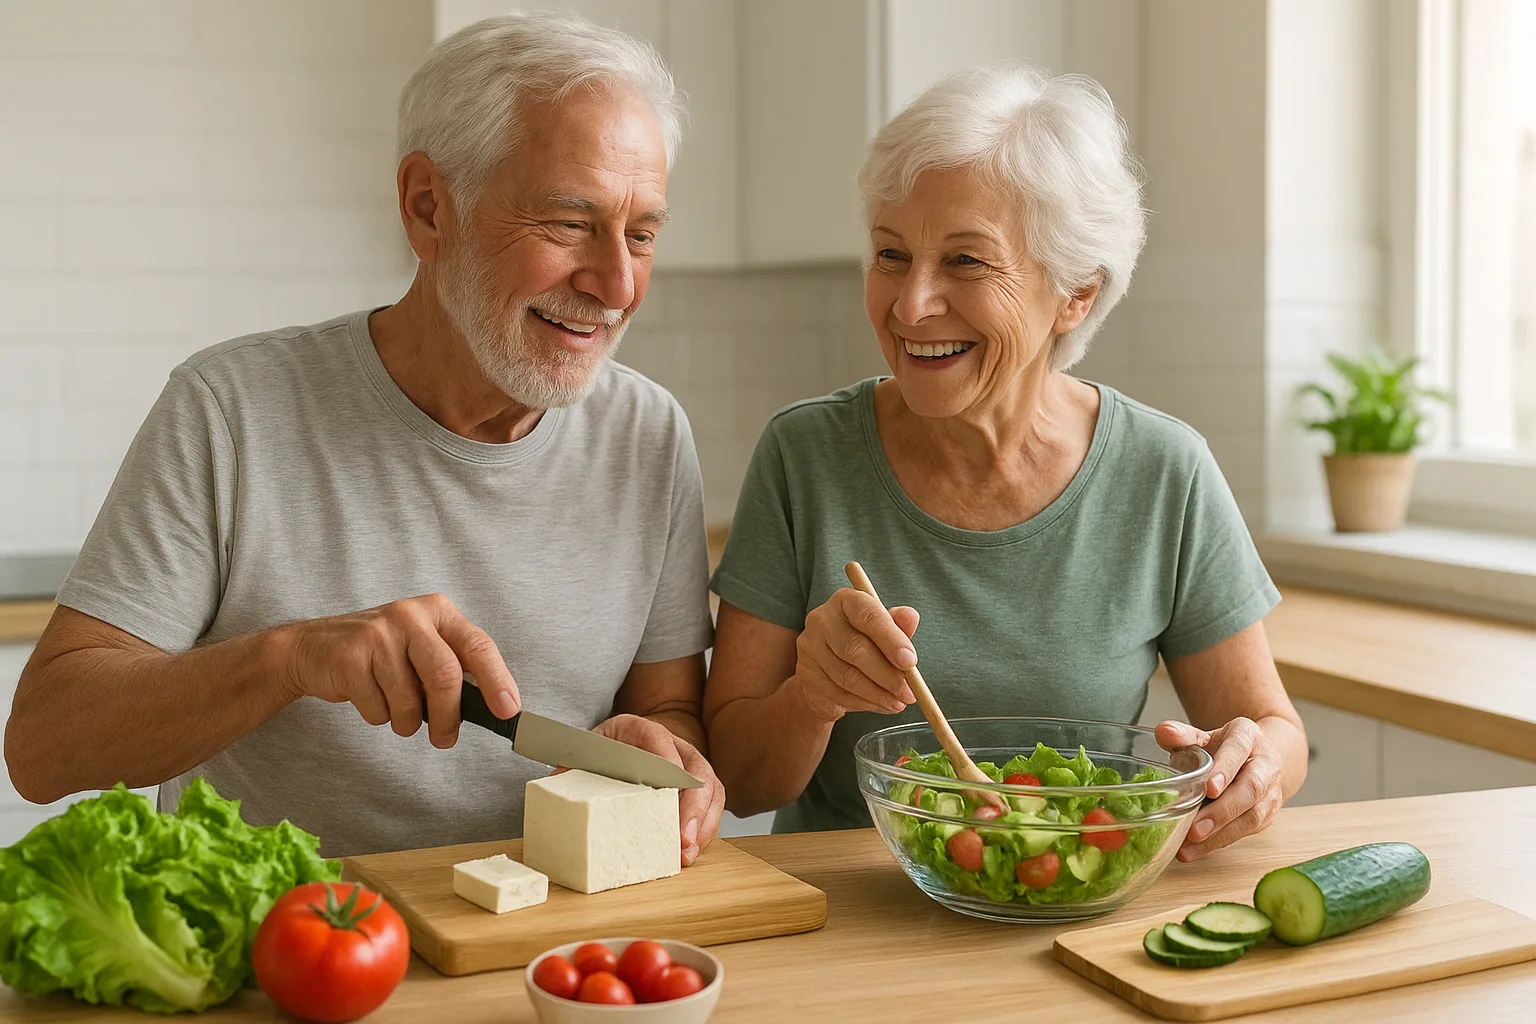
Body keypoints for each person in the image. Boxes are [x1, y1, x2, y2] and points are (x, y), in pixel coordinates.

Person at [5, 12, 726, 862]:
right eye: (569, 224)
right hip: (292, 950)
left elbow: (673, 708)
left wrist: (659, 742)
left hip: (547, 948)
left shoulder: (649, 435)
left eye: (642, 234)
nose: (616, 283)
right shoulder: (232, 409)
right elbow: (44, 747)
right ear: (428, 209)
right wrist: (289, 658)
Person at [703, 63, 1308, 862]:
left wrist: (1258, 766)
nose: (911, 305)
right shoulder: (806, 455)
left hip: (1076, 900)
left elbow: (1274, 729)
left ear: (1077, 294)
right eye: (891, 254)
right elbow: (738, 780)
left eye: (964, 262)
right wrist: (811, 699)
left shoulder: (1165, 472)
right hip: (848, 921)